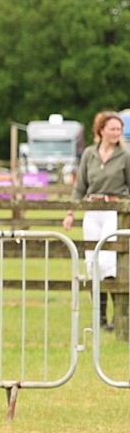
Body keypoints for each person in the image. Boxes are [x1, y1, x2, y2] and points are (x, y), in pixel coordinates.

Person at [63, 111, 129, 331]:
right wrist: (71, 212)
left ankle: (116, 317)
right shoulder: (90, 154)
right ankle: (99, 317)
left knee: (109, 261)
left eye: (119, 129)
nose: (116, 133)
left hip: (113, 210)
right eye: (112, 128)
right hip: (92, 210)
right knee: (92, 263)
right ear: (101, 130)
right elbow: (80, 186)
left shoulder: (125, 155)